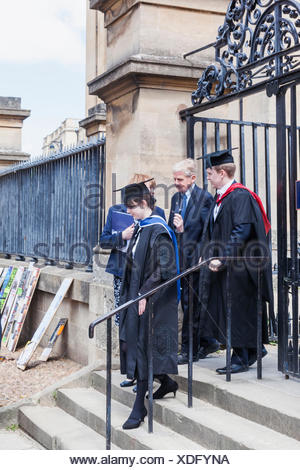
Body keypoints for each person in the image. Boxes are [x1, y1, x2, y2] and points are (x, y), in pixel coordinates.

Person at [198, 149, 272, 374]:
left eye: (210, 173)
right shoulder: (220, 198)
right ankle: (252, 350)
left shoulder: (240, 196)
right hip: (227, 266)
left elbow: (241, 230)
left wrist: (223, 257)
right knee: (234, 310)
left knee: (239, 311)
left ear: (222, 173)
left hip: (241, 266)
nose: (208, 177)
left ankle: (240, 356)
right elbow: (213, 230)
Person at [119, 182, 179, 429]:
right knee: (134, 343)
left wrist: (144, 293)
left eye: (132, 207)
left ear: (144, 204)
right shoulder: (141, 228)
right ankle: (166, 382)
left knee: (144, 348)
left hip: (153, 300)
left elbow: (165, 269)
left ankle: (138, 408)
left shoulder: (159, 230)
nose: (129, 212)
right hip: (136, 297)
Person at [100, 174, 165, 388]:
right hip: (124, 273)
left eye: (151, 189)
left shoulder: (157, 216)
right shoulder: (117, 211)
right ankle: (130, 371)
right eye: (145, 188)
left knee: (145, 325)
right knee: (125, 322)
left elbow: (163, 255)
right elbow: (104, 240)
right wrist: (122, 237)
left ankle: (150, 372)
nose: (149, 193)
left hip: (147, 278)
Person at [168, 159, 217, 365]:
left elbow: (207, 232)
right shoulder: (175, 198)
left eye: (180, 179)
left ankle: (190, 350)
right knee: (186, 303)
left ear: (192, 178)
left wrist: (183, 231)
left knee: (191, 305)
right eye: (175, 179)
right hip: (180, 259)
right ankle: (207, 343)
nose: (176, 183)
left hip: (196, 260)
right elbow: (174, 228)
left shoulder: (204, 198)